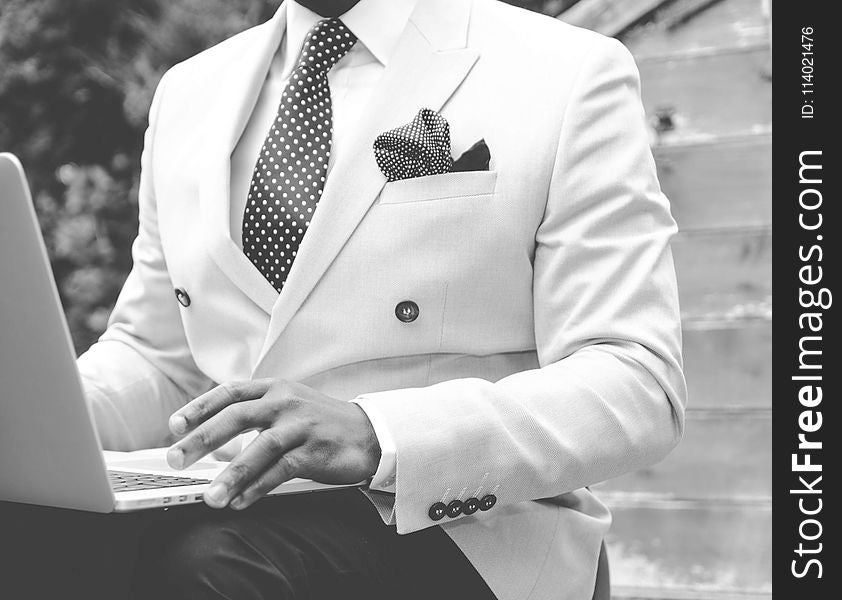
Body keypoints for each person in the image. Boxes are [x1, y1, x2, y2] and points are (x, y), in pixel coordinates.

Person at [76, 0, 688, 598]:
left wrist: (378, 435)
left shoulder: (566, 71)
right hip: (230, 500)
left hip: (464, 529)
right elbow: (160, 358)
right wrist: (37, 411)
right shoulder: (189, 90)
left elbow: (634, 383)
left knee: (206, 566)